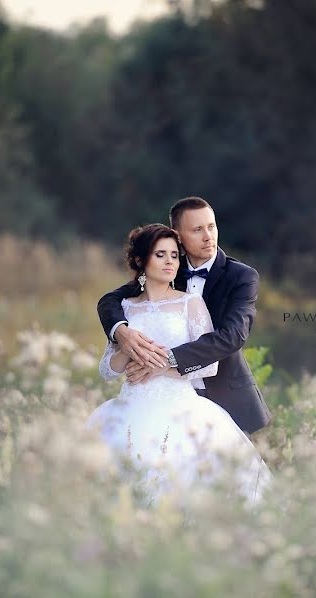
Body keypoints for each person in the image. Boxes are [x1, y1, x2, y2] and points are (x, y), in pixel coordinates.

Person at [86, 224, 271, 508]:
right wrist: (129, 349)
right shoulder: (125, 307)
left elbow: (209, 365)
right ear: (140, 261)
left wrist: (160, 366)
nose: (170, 261)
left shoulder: (191, 304)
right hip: (129, 406)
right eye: (160, 255)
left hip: (181, 406)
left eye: (174, 255)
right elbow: (106, 369)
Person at [96, 197, 272, 436]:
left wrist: (165, 362)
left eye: (211, 226)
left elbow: (233, 336)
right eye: (197, 229)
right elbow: (110, 301)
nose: (208, 236)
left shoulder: (242, 276)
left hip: (223, 394)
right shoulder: (166, 269)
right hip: (153, 402)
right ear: (178, 235)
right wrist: (122, 332)